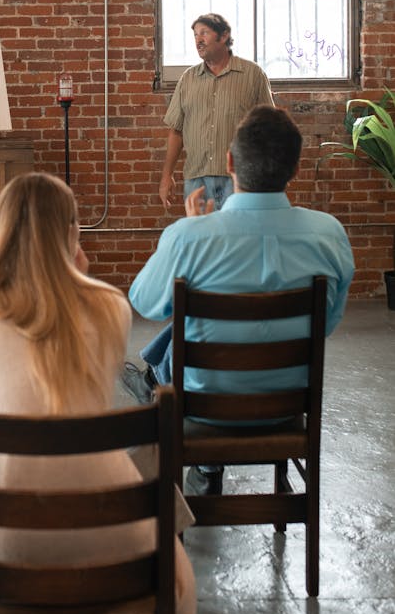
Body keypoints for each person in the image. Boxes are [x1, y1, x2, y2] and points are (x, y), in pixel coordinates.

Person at [0, 172, 196, 614]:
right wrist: (82, 273)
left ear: (0, 231)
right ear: (72, 233)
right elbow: (90, 393)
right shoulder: (110, 307)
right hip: (105, 528)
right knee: (180, 566)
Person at [125, 105, 354, 496]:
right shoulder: (329, 235)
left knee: (174, 339)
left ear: (229, 162)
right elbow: (327, 324)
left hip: (203, 405)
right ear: (294, 169)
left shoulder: (190, 236)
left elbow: (145, 302)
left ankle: (199, 464)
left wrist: (194, 229)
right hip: (287, 406)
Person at [159, 13, 273, 212]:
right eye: (195, 35)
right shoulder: (188, 79)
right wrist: (166, 176)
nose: (198, 40)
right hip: (197, 180)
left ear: (223, 36)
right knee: (202, 239)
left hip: (240, 180)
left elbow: (269, 129)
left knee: (239, 239)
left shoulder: (253, 75)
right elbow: (176, 131)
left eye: (204, 33)